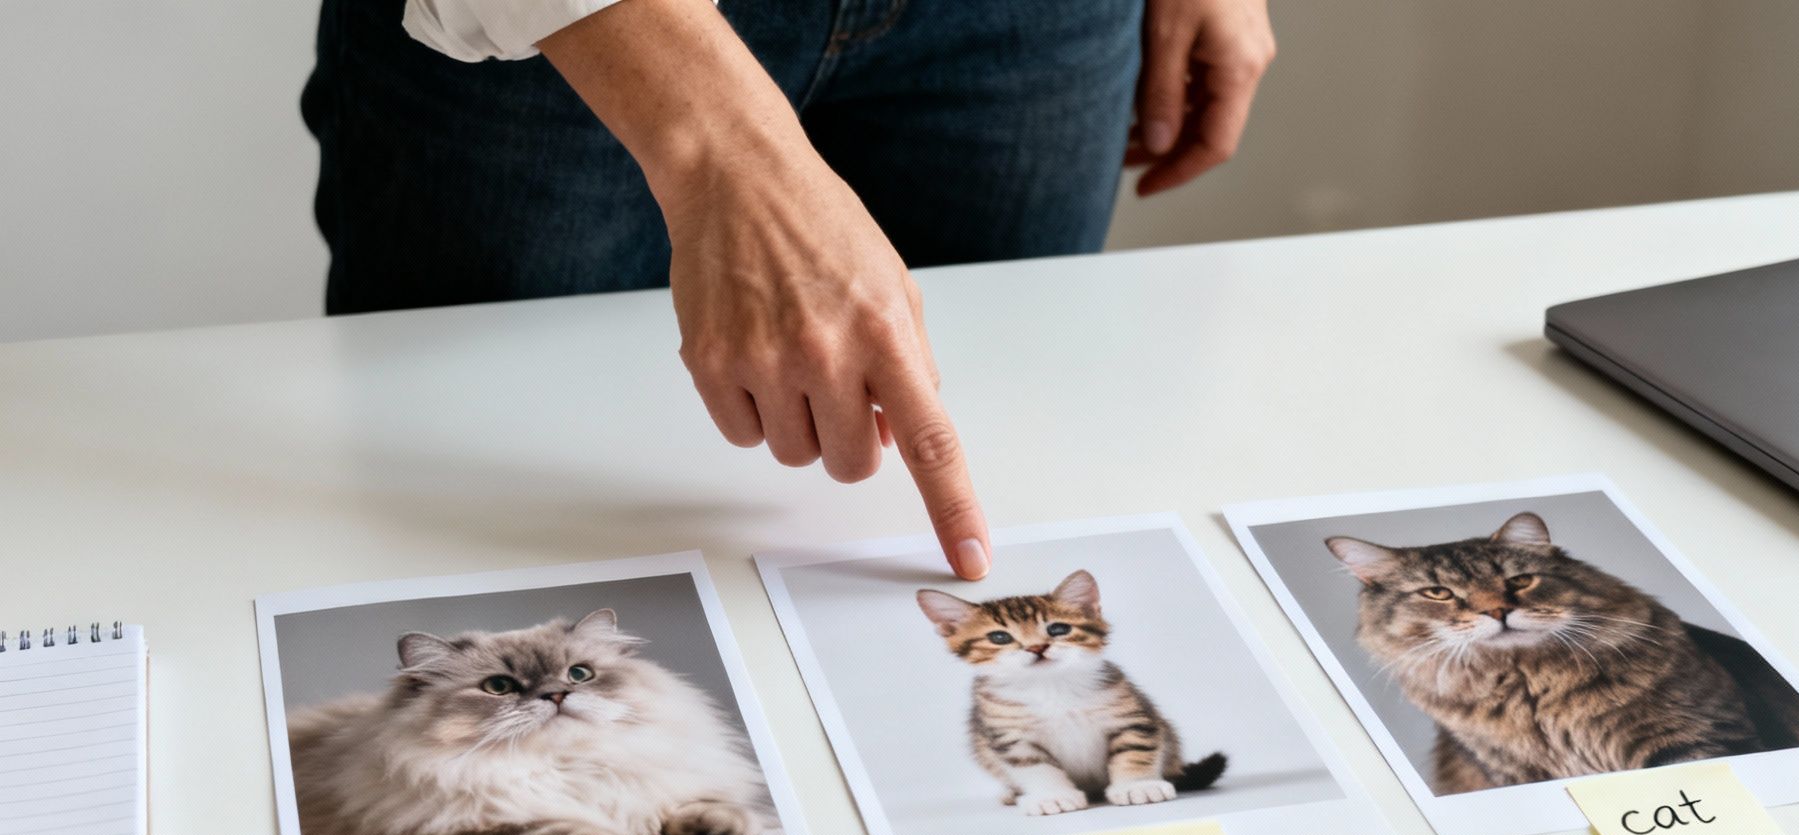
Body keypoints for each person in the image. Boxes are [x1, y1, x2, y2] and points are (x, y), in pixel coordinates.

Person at [303, 0, 1276, 579]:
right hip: (564, 29)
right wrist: (720, 148)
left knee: (987, 466)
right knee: (462, 525)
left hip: (1038, 27)